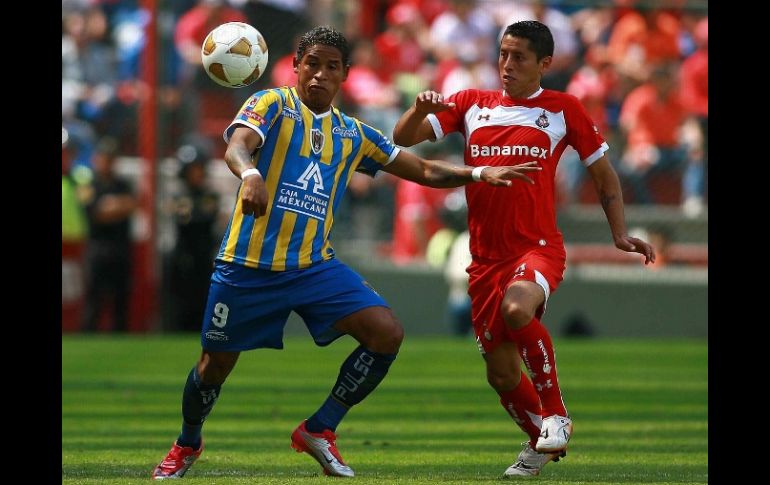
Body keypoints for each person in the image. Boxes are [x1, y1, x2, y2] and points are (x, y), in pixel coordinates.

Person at [151, 25, 540, 480]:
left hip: (313, 266)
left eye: (331, 67)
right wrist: (251, 175)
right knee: (214, 365)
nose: (319, 75)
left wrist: (477, 173)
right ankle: (187, 442)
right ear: (296, 67)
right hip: (248, 266)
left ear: (345, 75)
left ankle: (320, 428)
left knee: (386, 333)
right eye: (311, 64)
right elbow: (239, 144)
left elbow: (424, 168)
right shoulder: (271, 104)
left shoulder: (353, 134)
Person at [392, 20, 655, 477]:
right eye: (503, 54)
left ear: (544, 64)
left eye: (519, 57)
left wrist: (619, 232)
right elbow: (402, 139)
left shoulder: (562, 108)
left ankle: (557, 415)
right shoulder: (472, 103)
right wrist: (418, 110)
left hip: (537, 248)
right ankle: (539, 441)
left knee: (518, 310)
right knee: (501, 373)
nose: (507, 65)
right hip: (485, 259)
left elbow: (603, 173)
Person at [80, 137, 137, 332]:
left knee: (121, 298)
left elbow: (133, 205)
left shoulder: (123, 183)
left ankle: (120, 336)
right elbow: (95, 213)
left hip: (120, 247)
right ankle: (89, 336)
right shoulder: (89, 184)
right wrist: (117, 206)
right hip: (98, 247)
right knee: (94, 298)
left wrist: (110, 205)